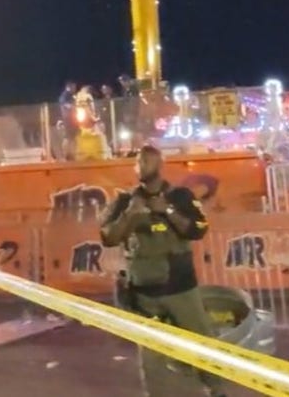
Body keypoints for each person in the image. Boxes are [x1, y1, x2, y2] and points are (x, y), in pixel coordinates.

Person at [99, 146, 226, 397]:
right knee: (151, 357)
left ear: (159, 164)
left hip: (180, 289)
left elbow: (198, 229)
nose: (141, 165)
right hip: (145, 295)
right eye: (138, 161)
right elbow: (108, 237)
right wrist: (130, 215)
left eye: (146, 160)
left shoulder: (180, 196)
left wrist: (166, 210)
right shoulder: (125, 201)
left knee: (204, 345)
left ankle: (217, 391)